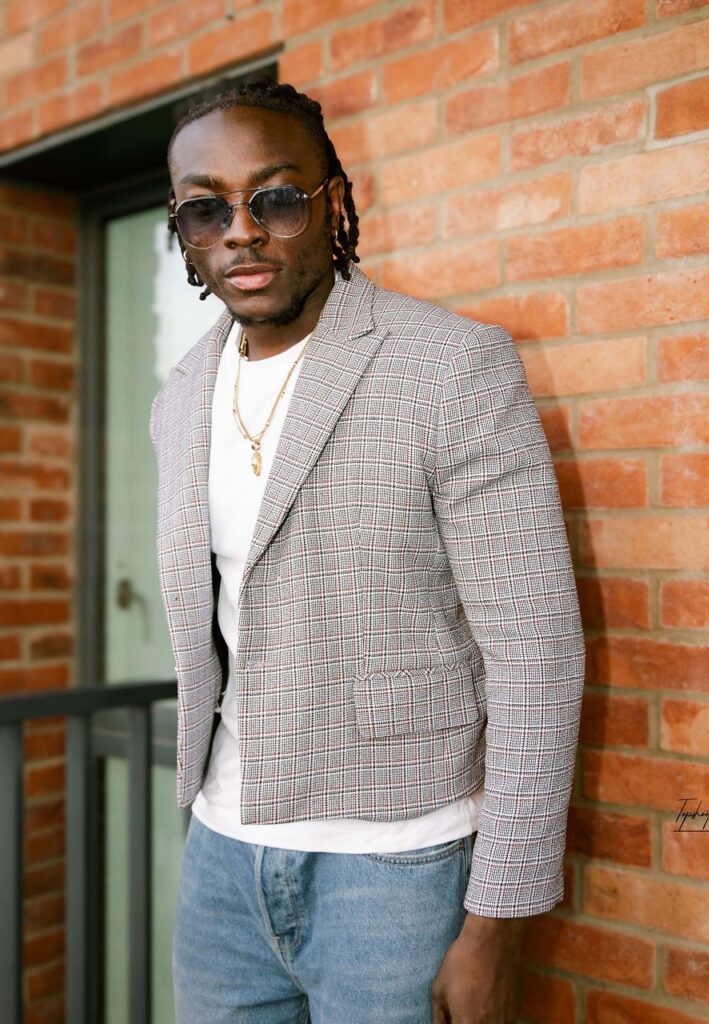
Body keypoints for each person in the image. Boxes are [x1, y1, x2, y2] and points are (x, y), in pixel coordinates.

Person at [149, 80, 585, 1024]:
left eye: (274, 198)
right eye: (205, 208)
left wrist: (496, 922)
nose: (242, 231)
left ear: (332, 203)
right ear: (183, 231)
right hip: (218, 860)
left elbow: (534, 652)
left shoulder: (448, 367)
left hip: (397, 872)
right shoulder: (178, 397)